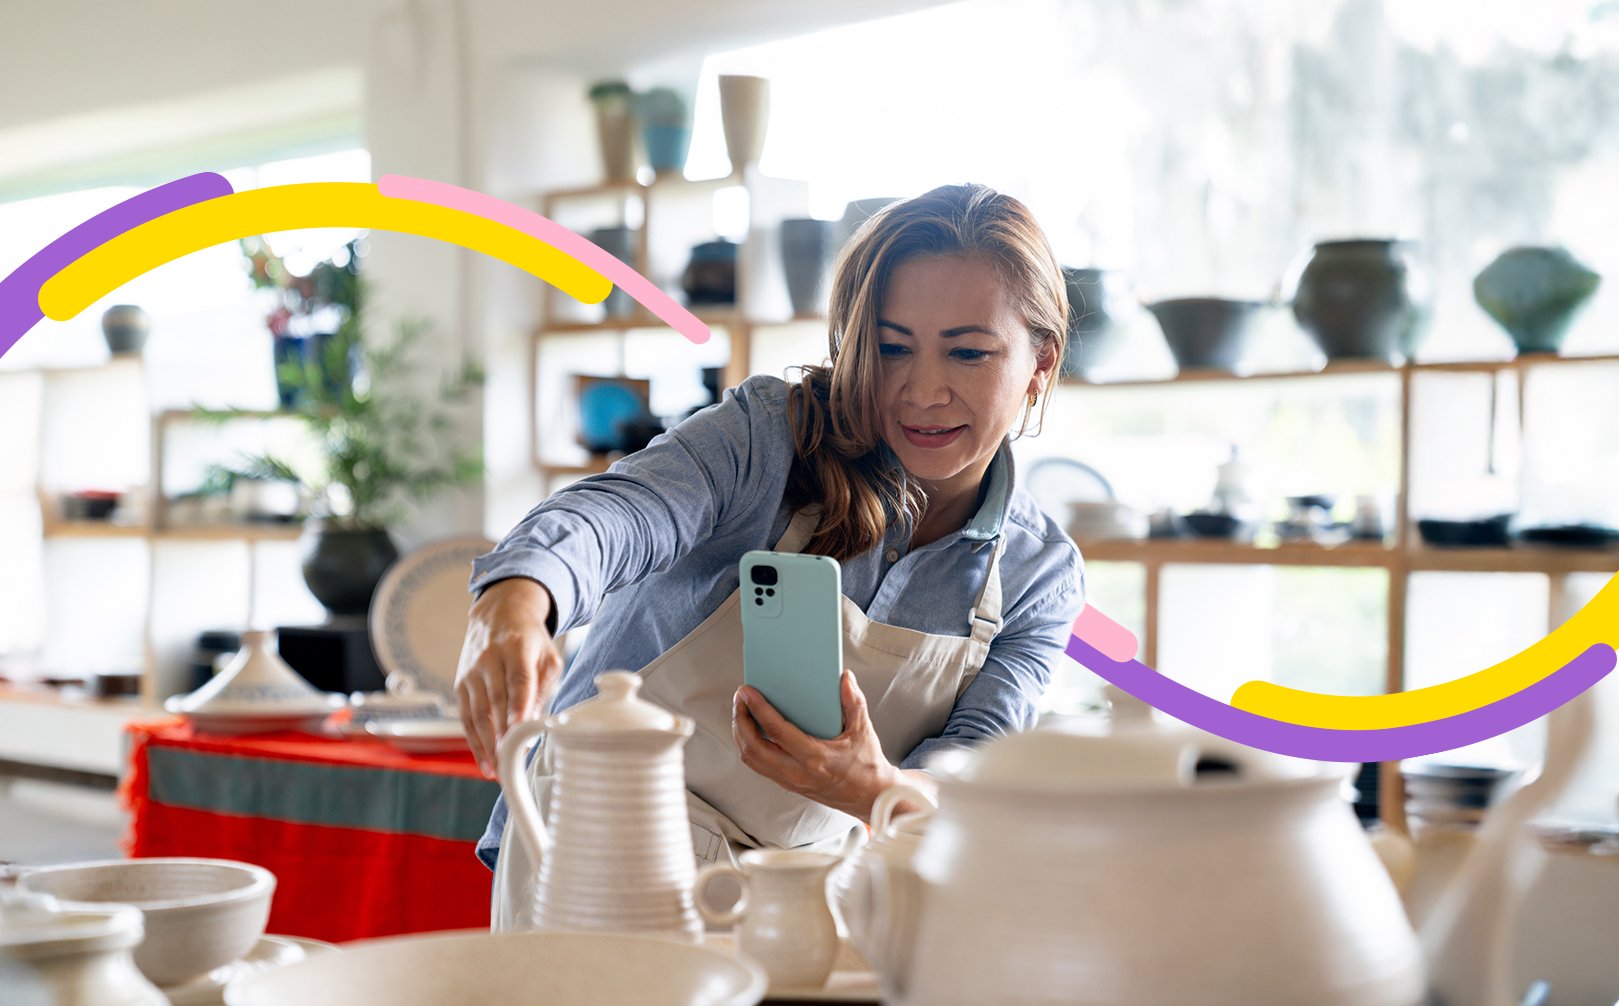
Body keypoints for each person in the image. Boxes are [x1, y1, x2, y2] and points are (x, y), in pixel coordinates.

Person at [457, 182, 1086, 924]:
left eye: (968, 352)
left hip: (805, 897)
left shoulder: (1039, 575)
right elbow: (616, 515)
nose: (922, 391)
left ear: (1039, 362)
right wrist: (516, 600)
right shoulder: (769, 435)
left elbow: (972, 783)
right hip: (606, 843)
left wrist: (869, 785)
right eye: (889, 349)